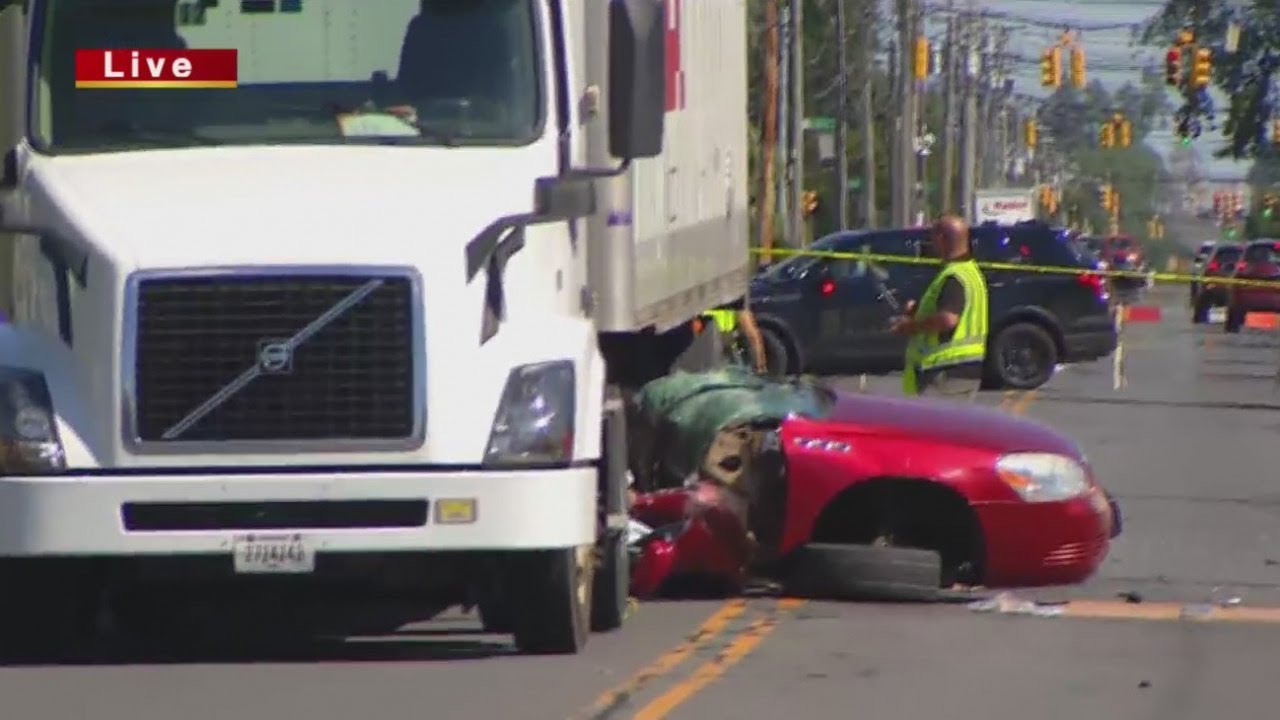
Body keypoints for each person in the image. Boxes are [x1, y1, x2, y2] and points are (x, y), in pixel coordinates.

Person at [889, 214, 989, 399]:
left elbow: (948, 319)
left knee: (932, 427)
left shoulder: (954, 275)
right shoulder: (971, 271)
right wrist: (917, 310)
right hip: (967, 368)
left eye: (932, 237)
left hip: (946, 372)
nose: (931, 243)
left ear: (941, 239)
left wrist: (910, 326)